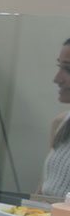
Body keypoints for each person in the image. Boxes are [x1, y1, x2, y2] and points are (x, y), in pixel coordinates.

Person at [38, 37, 70, 198]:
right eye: (60, 67)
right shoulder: (61, 122)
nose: (57, 79)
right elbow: (40, 196)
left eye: (69, 69)